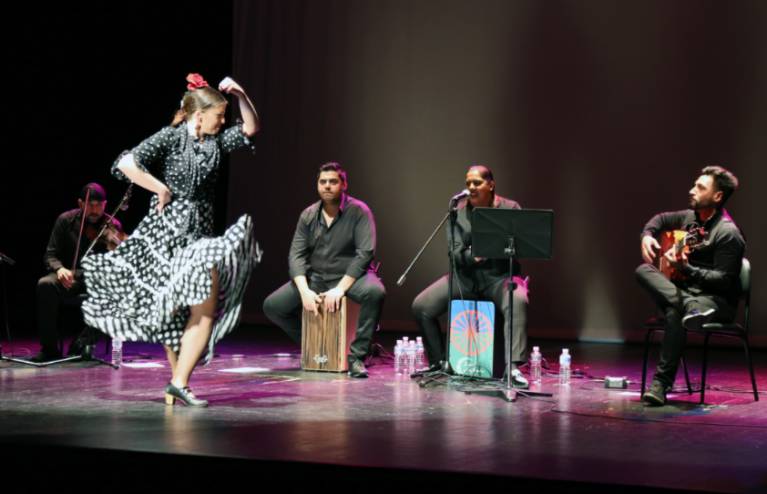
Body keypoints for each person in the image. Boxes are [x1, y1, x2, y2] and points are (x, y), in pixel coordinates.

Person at [81, 73, 260, 407]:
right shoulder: (171, 137)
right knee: (176, 312)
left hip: (199, 237)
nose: (223, 121)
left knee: (203, 309)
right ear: (199, 115)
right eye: (219, 115)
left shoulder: (216, 143)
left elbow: (250, 128)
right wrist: (159, 188)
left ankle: (179, 382)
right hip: (166, 235)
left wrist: (240, 95)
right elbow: (126, 162)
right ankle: (178, 381)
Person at [263, 162, 386, 378]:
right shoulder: (309, 215)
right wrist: (304, 291)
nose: (327, 186)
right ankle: (316, 344)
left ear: (344, 184)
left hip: (350, 278)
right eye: (323, 182)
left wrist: (340, 289)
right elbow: (296, 256)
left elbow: (365, 253)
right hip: (317, 277)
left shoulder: (359, 211)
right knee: (273, 306)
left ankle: (358, 355)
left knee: (375, 292)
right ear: (318, 185)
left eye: (333, 182)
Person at [411, 165, 530, 387]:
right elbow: (454, 252)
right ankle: (439, 362)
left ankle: (513, 368)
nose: (471, 187)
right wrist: (472, 256)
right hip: (465, 278)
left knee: (518, 299)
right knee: (422, 306)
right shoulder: (457, 211)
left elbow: (520, 245)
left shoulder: (510, 208)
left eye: (477, 183)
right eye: (468, 183)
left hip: (499, 278)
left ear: (491, 185)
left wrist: (494, 249)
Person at [636, 165, 744, 406]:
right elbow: (660, 219)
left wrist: (686, 269)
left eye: (700, 187)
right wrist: (647, 235)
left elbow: (724, 281)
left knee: (674, 313)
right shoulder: (689, 218)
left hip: (715, 301)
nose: (692, 190)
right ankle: (689, 305)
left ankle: (660, 385)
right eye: (694, 185)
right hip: (688, 296)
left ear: (717, 196)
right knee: (643, 270)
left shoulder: (728, 233)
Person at [29, 183, 122, 362]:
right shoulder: (65, 220)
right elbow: (50, 254)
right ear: (80, 203)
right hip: (67, 276)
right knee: (45, 285)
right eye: (90, 205)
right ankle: (49, 349)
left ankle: (81, 343)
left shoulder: (112, 225)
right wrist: (59, 269)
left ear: (105, 204)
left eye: (99, 205)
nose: (95, 210)